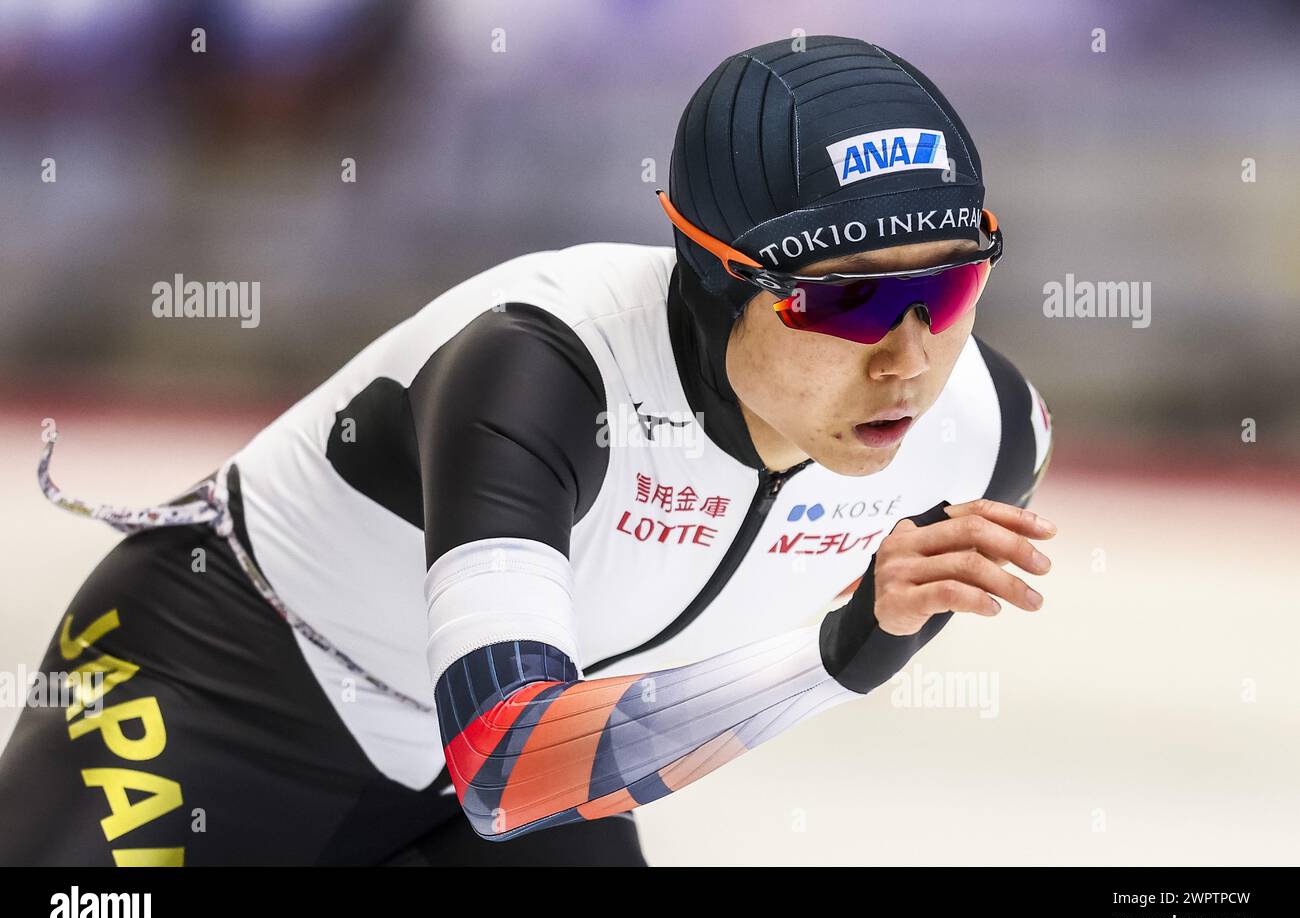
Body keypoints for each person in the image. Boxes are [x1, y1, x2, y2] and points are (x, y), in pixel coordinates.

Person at [0, 35, 1054, 865]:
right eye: (853, 296)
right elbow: (505, 763)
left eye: (950, 284)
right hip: (222, 689)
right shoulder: (543, 371)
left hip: (520, 763)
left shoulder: (987, 430)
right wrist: (836, 654)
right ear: (716, 272)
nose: (910, 360)